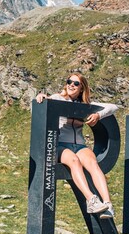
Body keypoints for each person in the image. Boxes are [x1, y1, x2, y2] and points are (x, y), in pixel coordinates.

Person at [35, 72, 118, 219]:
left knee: (93, 163)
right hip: (60, 144)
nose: (71, 85)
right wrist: (41, 96)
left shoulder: (86, 106)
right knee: (74, 161)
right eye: (69, 82)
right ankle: (91, 200)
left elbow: (113, 107)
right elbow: (44, 101)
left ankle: (108, 204)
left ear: (82, 88)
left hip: (79, 144)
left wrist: (98, 115)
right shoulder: (58, 98)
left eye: (76, 83)